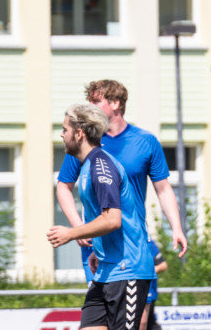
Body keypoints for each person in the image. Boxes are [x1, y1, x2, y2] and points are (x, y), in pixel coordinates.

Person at [56, 80, 187, 285]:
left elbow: (163, 189)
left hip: (131, 241)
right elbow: (63, 186)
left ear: (115, 103)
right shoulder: (84, 142)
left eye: (95, 102)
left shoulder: (145, 141)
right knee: (99, 312)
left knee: (136, 316)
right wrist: (77, 226)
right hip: (95, 241)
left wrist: (177, 228)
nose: (89, 107)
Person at [48, 104, 154, 329]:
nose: (61, 134)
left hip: (128, 270)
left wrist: (70, 233)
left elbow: (112, 219)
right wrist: (98, 248)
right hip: (106, 270)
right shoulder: (88, 165)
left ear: (79, 133)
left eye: (65, 129)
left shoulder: (101, 166)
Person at [141, 238, 167, 330]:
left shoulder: (149, 243)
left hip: (148, 291)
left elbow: (163, 265)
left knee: (146, 323)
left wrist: (145, 273)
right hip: (125, 289)